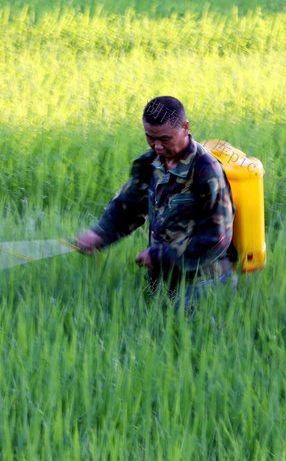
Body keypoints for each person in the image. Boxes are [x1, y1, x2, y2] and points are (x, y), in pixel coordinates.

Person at [75, 96, 237, 311]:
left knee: (184, 338)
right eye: (150, 138)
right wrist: (100, 234)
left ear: (185, 128)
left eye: (165, 139)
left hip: (202, 282)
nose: (157, 146)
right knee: (150, 328)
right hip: (163, 276)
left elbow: (219, 237)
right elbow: (129, 207)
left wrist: (162, 255)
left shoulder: (206, 171)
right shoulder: (150, 163)